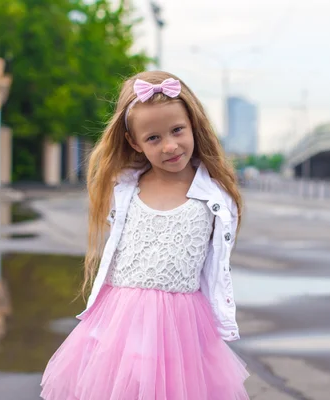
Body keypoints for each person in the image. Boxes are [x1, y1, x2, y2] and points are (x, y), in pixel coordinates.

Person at [40, 71, 249, 399]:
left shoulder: (215, 197)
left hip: (182, 329)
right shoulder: (124, 188)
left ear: (193, 125)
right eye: (153, 138)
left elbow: (214, 269)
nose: (170, 145)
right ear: (135, 143)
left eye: (177, 130)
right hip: (121, 323)